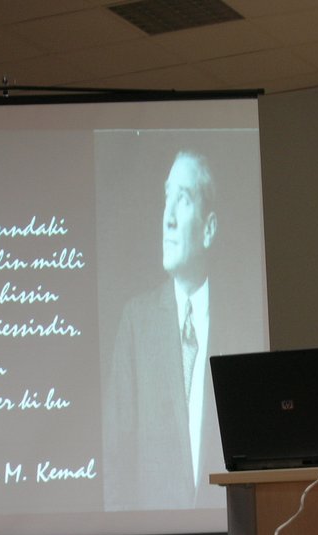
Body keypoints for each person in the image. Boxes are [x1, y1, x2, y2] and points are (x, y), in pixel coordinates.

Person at [103, 150, 228, 511]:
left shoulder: (238, 320)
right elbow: (116, 452)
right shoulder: (137, 321)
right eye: (166, 198)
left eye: (183, 200)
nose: (168, 218)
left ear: (209, 228)